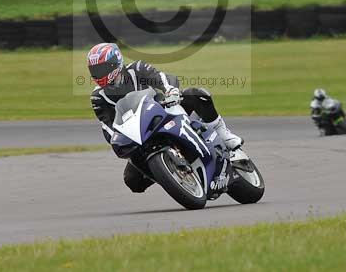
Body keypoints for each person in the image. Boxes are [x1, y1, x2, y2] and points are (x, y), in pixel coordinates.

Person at [87, 42, 243, 193]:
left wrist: (171, 91)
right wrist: (117, 139)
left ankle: (223, 133)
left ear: (115, 63)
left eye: (102, 68)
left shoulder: (137, 68)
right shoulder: (98, 97)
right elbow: (107, 127)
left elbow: (162, 78)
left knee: (195, 94)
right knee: (132, 181)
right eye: (95, 70)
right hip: (139, 134)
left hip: (164, 111)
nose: (99, 74)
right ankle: (170, 172)